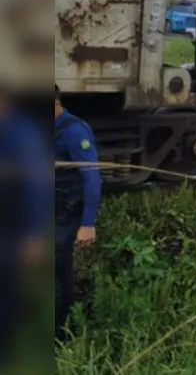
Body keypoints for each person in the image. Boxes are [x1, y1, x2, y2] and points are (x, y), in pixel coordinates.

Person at [0, 88, 50, 365]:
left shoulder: (21, 136)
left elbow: (37, 186)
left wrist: (33, 234)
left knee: (7, 289)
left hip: (12, 228)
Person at [54, 84, 102, 343]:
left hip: (64, 211)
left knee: (57, 273)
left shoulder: (73, 131)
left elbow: (91, 176)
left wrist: (87, 223)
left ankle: (61, 335)